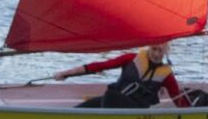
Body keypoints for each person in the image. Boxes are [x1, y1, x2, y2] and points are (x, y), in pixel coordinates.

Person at [53, 43, 199, 110]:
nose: (156, 54)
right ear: (149, 47)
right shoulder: (131, 59)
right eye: (154, 49)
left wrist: (197, 115)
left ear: (165, 52)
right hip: (116, 102)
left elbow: (178, 101)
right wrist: (66, 73)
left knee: (111, 95)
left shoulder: (166, 75)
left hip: (137, 109)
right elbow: (101, 66)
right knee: (80, 109)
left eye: (160, 51)